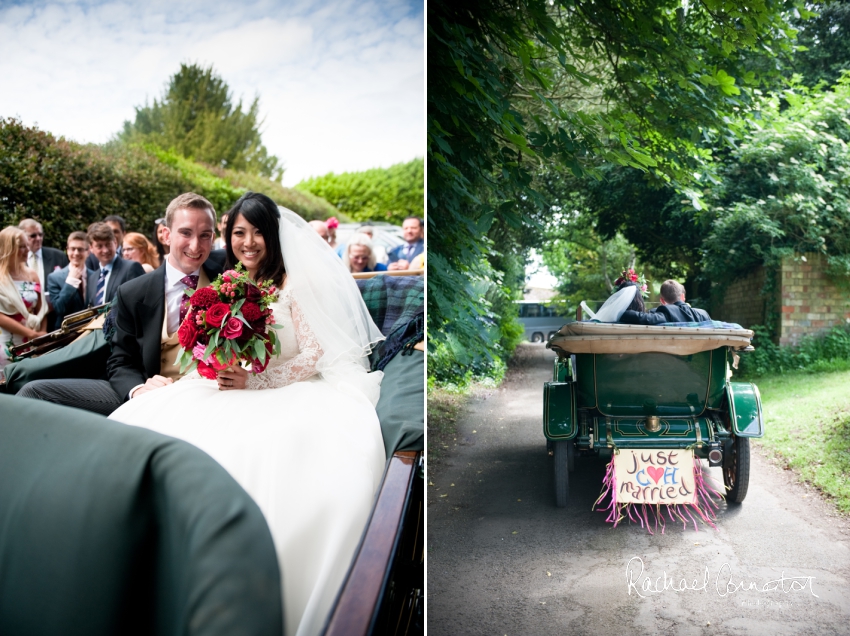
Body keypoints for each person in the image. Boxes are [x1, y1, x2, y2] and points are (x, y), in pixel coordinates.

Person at [108, 192, 385, 636]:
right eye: (239, 232)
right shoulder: (228, 280)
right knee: (148, 424)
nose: (249, 242)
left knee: (270, 461)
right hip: (227, 384)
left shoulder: (296, 282)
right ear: (229, 236)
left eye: (258, 232)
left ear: (273, 234)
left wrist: (256, 381)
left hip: (294, 388)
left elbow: (314, 353)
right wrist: (216, 364)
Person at [17, 193, 224, 414]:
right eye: (185, 232)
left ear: (213, 237)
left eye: (205, 235)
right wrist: (137, 390)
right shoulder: (133, 292)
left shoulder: (228, 281)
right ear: (165, 234)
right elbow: (121, 360)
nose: (195, 245)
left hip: (209, 391)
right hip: (152, 391)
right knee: (33, 391)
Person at [0, 227, 48, 369]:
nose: (27, 249)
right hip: (7, 343)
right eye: (21, 247)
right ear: (8, 248)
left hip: (34, 343)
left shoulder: (32, 274)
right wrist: (32, 334)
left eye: (27, 245)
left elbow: (42, 310)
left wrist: (42, 335)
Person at [18, 218, 69, 326]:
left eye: (40, 235)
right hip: (28, 319)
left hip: (56, 318)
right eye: (33, 236)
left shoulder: (58, 256)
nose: (38, 238)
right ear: (23, 237)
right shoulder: (17, 260)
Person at [86, 222, 145, 306]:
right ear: (91, 248)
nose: (105, 250)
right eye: (99, 246)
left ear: (115, 242)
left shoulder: (131, 268)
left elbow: (141, 302)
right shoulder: (93, 278)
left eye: (108, 244)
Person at [46, 231, 93, 330]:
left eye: (80, 249)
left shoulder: (95, 275)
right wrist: (71, 282)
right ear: (67, 250)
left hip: (91, 330)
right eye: (72, 249)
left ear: (88, 252)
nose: (76, 253)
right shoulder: (54, 278)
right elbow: (59, 309)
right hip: (66, 332)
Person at [619, 279, 711, 325]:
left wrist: (618, 311)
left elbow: (640, 317)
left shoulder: (666, 314)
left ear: (662, 300)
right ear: (683, 296)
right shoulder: (703, 314)